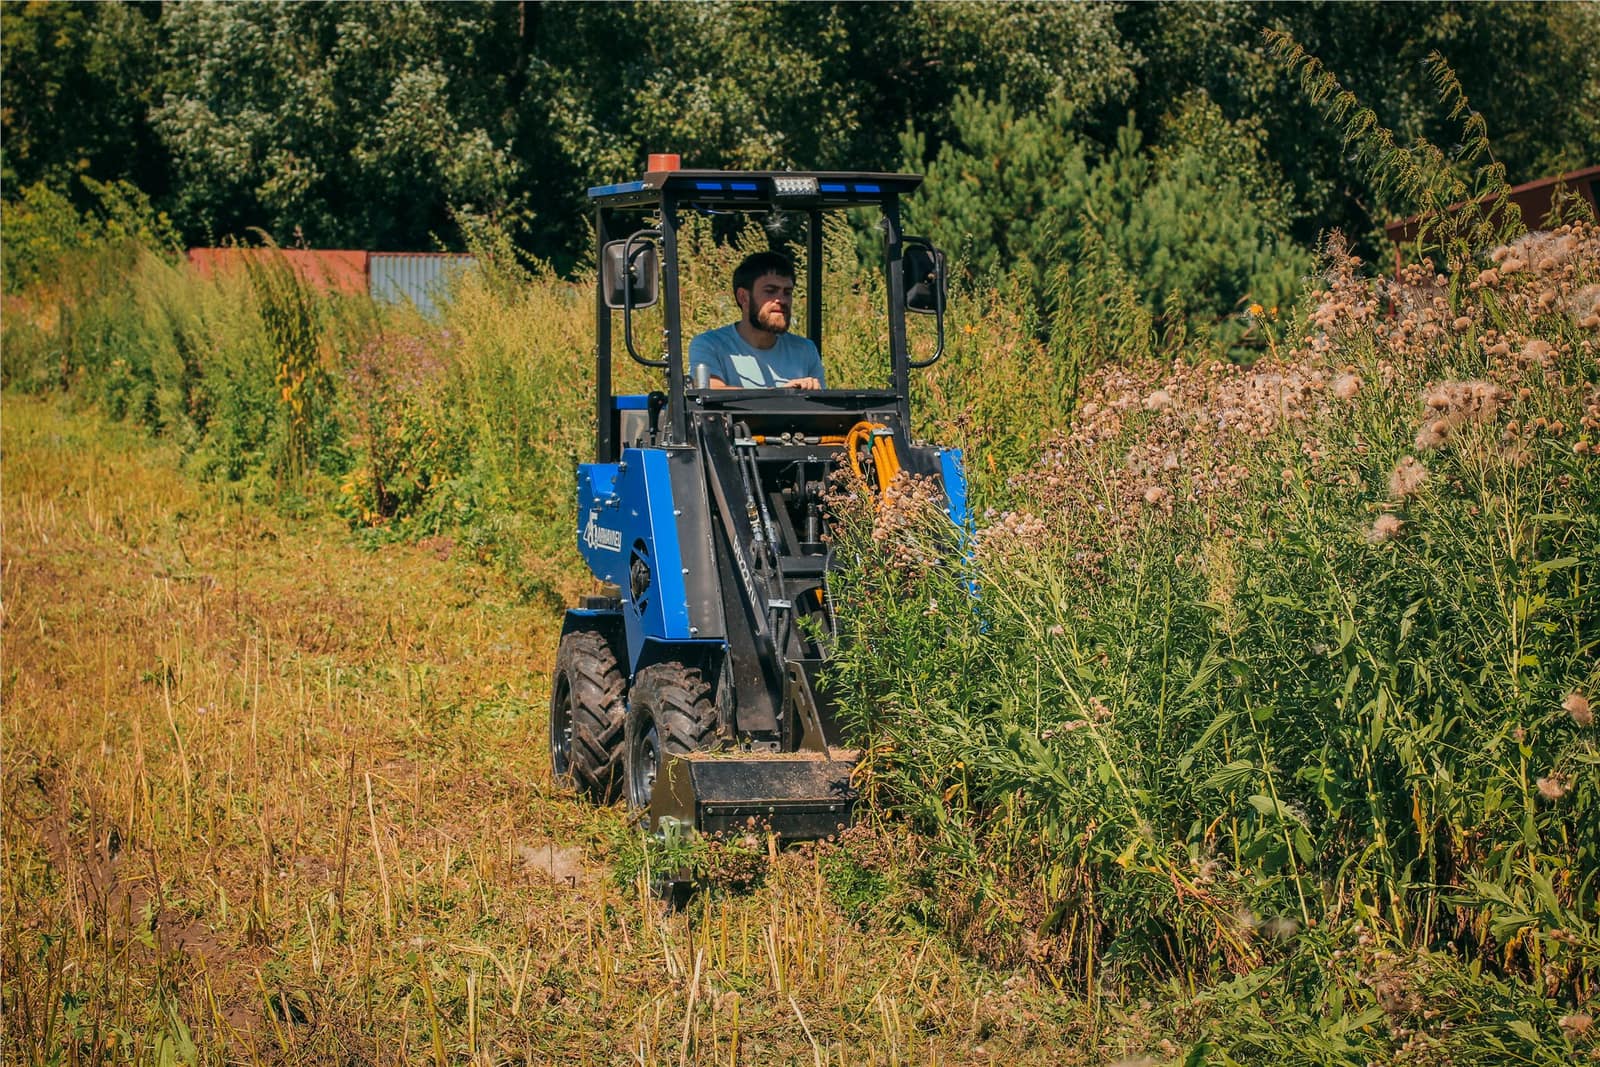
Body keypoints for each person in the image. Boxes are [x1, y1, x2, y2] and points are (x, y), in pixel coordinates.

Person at [689, 250, 824, 390]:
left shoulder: (805, 350)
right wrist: (781, 397)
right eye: (770, 291)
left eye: (787, 292)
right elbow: (712, 395)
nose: (782, 300)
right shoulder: (710, 345)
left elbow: (823, 408)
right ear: (743, 297)